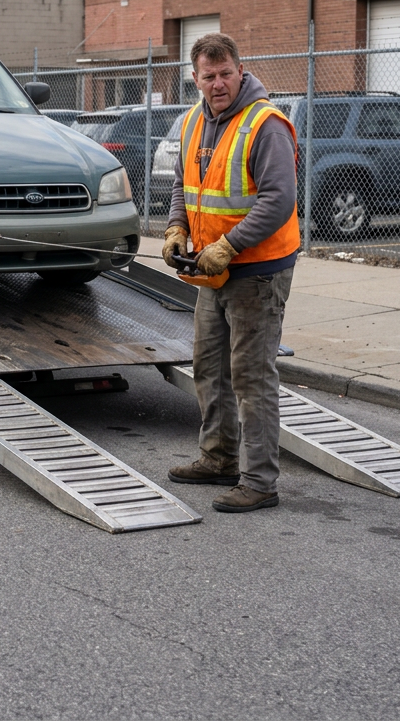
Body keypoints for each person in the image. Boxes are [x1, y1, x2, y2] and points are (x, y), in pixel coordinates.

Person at [162, 32, 299, 512]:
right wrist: (176, 228)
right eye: (208, 76)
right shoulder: (193, 121)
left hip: (258, 272)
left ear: (240, 71)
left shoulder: (265, 125)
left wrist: (229, 245)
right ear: (195, 78)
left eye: (225, 74)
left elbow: (279, 199)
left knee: (251, 377)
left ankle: (259, 482)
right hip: (212, 270)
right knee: (209, 368)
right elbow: (183, 183)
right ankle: (219, 458)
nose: (217, 83)